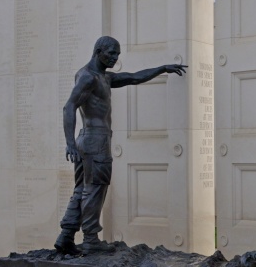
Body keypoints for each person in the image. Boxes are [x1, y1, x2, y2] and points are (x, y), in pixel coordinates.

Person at [55, 37, 187, 254]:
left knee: (81, 189)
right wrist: (68, 143)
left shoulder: (101, 77)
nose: (115, 58)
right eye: (112, 54)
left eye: (117, 54)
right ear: (98, 51)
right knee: (95, 189)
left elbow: (133, 78)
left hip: (87, 140)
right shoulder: (88, 77)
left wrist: (163, 68)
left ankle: (66, 235)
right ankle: (90, 239)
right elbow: (69, 106)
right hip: (95, 141)